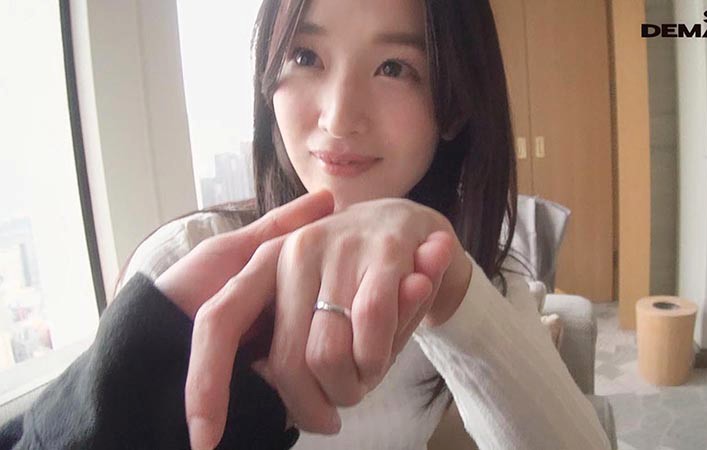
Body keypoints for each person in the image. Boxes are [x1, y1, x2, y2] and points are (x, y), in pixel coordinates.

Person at [2, 0, 613, 448]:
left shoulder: (476, 277)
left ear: (453, 106)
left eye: (394, 67)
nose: (339, 117)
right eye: (305, 56)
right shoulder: (186, 262)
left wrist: (451, 291)